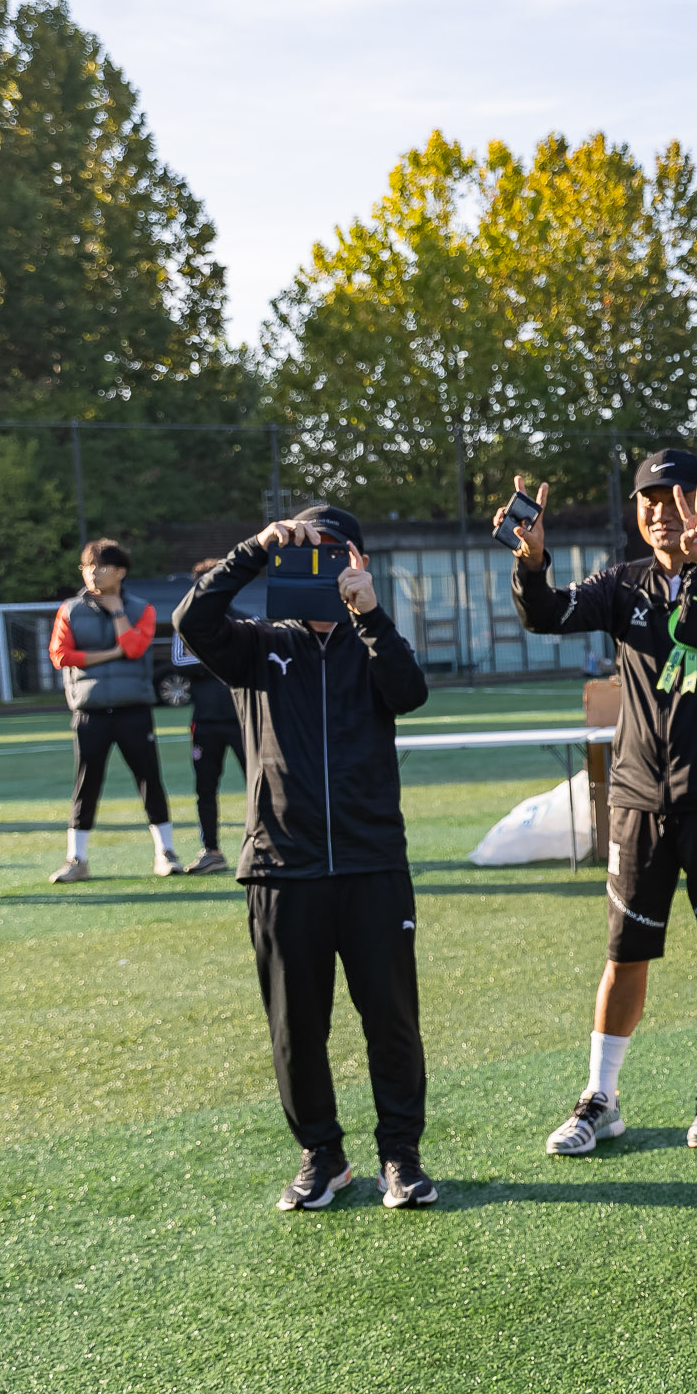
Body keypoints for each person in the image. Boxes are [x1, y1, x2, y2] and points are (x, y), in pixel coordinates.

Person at [503, 450, 697, 1154]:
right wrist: (532, 563)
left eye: (675, 494)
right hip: (637, 799)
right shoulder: (624, 585)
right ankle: (601, 1097)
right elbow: (548, 614)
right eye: (647, 499)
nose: (659, 509)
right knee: (624, 953)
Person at [175, 506, 437, 1212]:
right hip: (280, 866)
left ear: (358, 559)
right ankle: (322, 1154)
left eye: (332, 551)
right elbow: (191, 622)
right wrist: (254, 551)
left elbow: (409, 693)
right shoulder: (257, 645)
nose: (316, 563)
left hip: (372, 860)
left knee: (390, 1016)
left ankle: (400, 1155)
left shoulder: (374, 640)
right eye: (304, 550)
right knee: (296, 1027)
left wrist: (371, 614)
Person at [49, 538, 180, 882]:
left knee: (149, 779)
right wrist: (109, 654)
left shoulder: (142, 608)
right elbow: (61, 656)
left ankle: (165, 853)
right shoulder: (70, 609)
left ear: (120, 572)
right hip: (89, 712)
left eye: (101, 566)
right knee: (86, 784)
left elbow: (135, 648)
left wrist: (118, 611)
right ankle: (77, 860)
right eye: (87, 566)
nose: (92, 573)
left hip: (133, 710)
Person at [171, 558, 245, 875]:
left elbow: (249, 662)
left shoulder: (244, 621)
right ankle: (211, 851)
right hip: (206, 722)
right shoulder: (187, 626)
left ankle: (269, 844)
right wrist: (221, 657)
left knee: (263, 784)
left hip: (246, 719)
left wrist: (206, 658)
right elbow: (179, 663)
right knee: (205, 788)